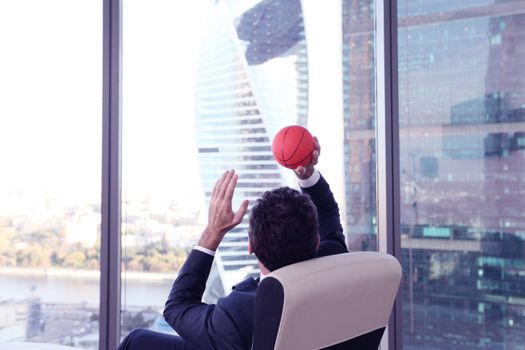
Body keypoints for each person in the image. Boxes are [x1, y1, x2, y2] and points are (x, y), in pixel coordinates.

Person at [117, 137, 348, 350]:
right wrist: (307, 174)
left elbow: (177, 306)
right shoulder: (335, 261)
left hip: (239, 341)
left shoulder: (240, 312)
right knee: (140, 341)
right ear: (316, 239)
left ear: (251, 247)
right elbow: (328, 212)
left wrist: (213, 231)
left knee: (134, 343)